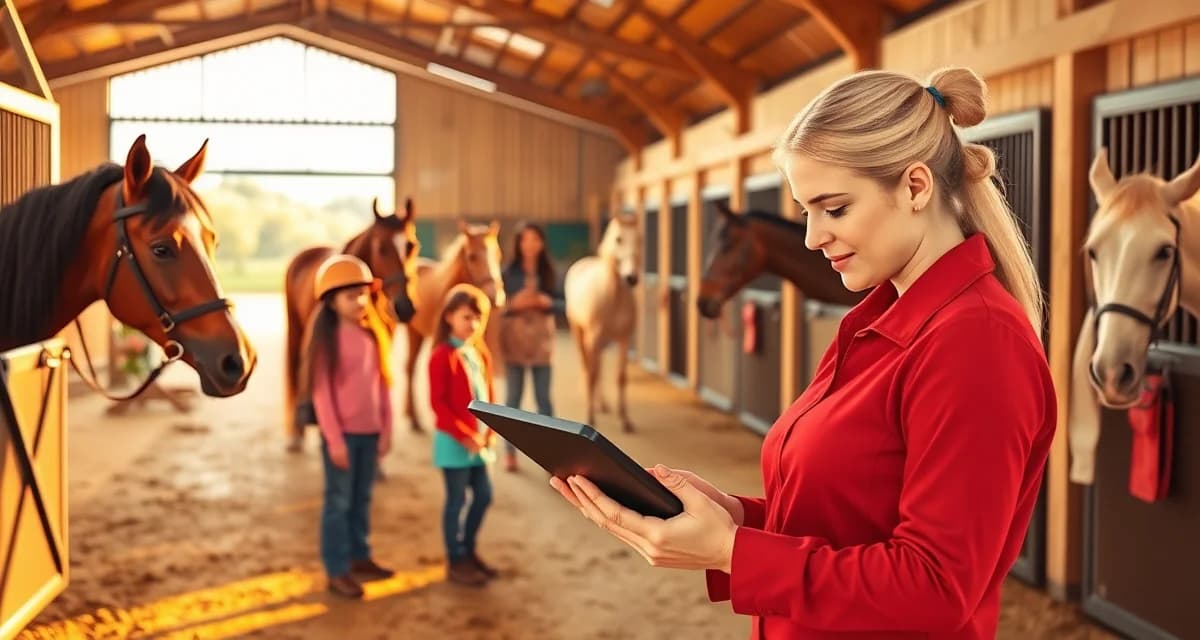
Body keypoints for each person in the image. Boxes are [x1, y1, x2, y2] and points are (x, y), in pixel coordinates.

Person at [550, 66, 1058, 639]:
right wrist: (732, 519)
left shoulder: (976, 342)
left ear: (916, 187)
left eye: (835, 208)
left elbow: (935, 587)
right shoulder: (878, 322)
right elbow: (844, 525)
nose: (814, 237)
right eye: (806, 212)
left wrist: (733, 553)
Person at [299, 254, 397, 600]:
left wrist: (387, 429)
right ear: (331, 301)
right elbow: (322, 394)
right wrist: (334, 440)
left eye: (362, 294)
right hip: (342, 438)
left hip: (371, 435)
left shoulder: (374, 334)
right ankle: (337, 569)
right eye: (349, 295)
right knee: (338, 502)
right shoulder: (328, 341)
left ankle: (360, 556)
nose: (359, 301)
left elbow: (384, 385)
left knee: (361, 498)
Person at [428, 283, 500, 587]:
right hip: (454, 444)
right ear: (449, 318)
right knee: (456, 501)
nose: (473, 324)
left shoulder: (479, 352)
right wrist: (464, 434)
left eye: (478, 318)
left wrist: (490, 432)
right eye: (466, 317)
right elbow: (439, 404)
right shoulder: (441, 356)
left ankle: (468, 550)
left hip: (479, 444)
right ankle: (455, 559)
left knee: (483, 496)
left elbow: (489, 396)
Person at [498, 222, 565, 472]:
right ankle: (509, 452)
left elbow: (564, 305)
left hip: (541, 342)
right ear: (518, 243)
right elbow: (499, 305)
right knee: (512, 399)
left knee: (544, 400)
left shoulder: (550, 272)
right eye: (524, 240)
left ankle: (551, 457)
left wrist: (546, 302)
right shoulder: (507, 272)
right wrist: (514, 303)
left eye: (534, 239)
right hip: (514, 339)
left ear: (542, 242)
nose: (529, 244)